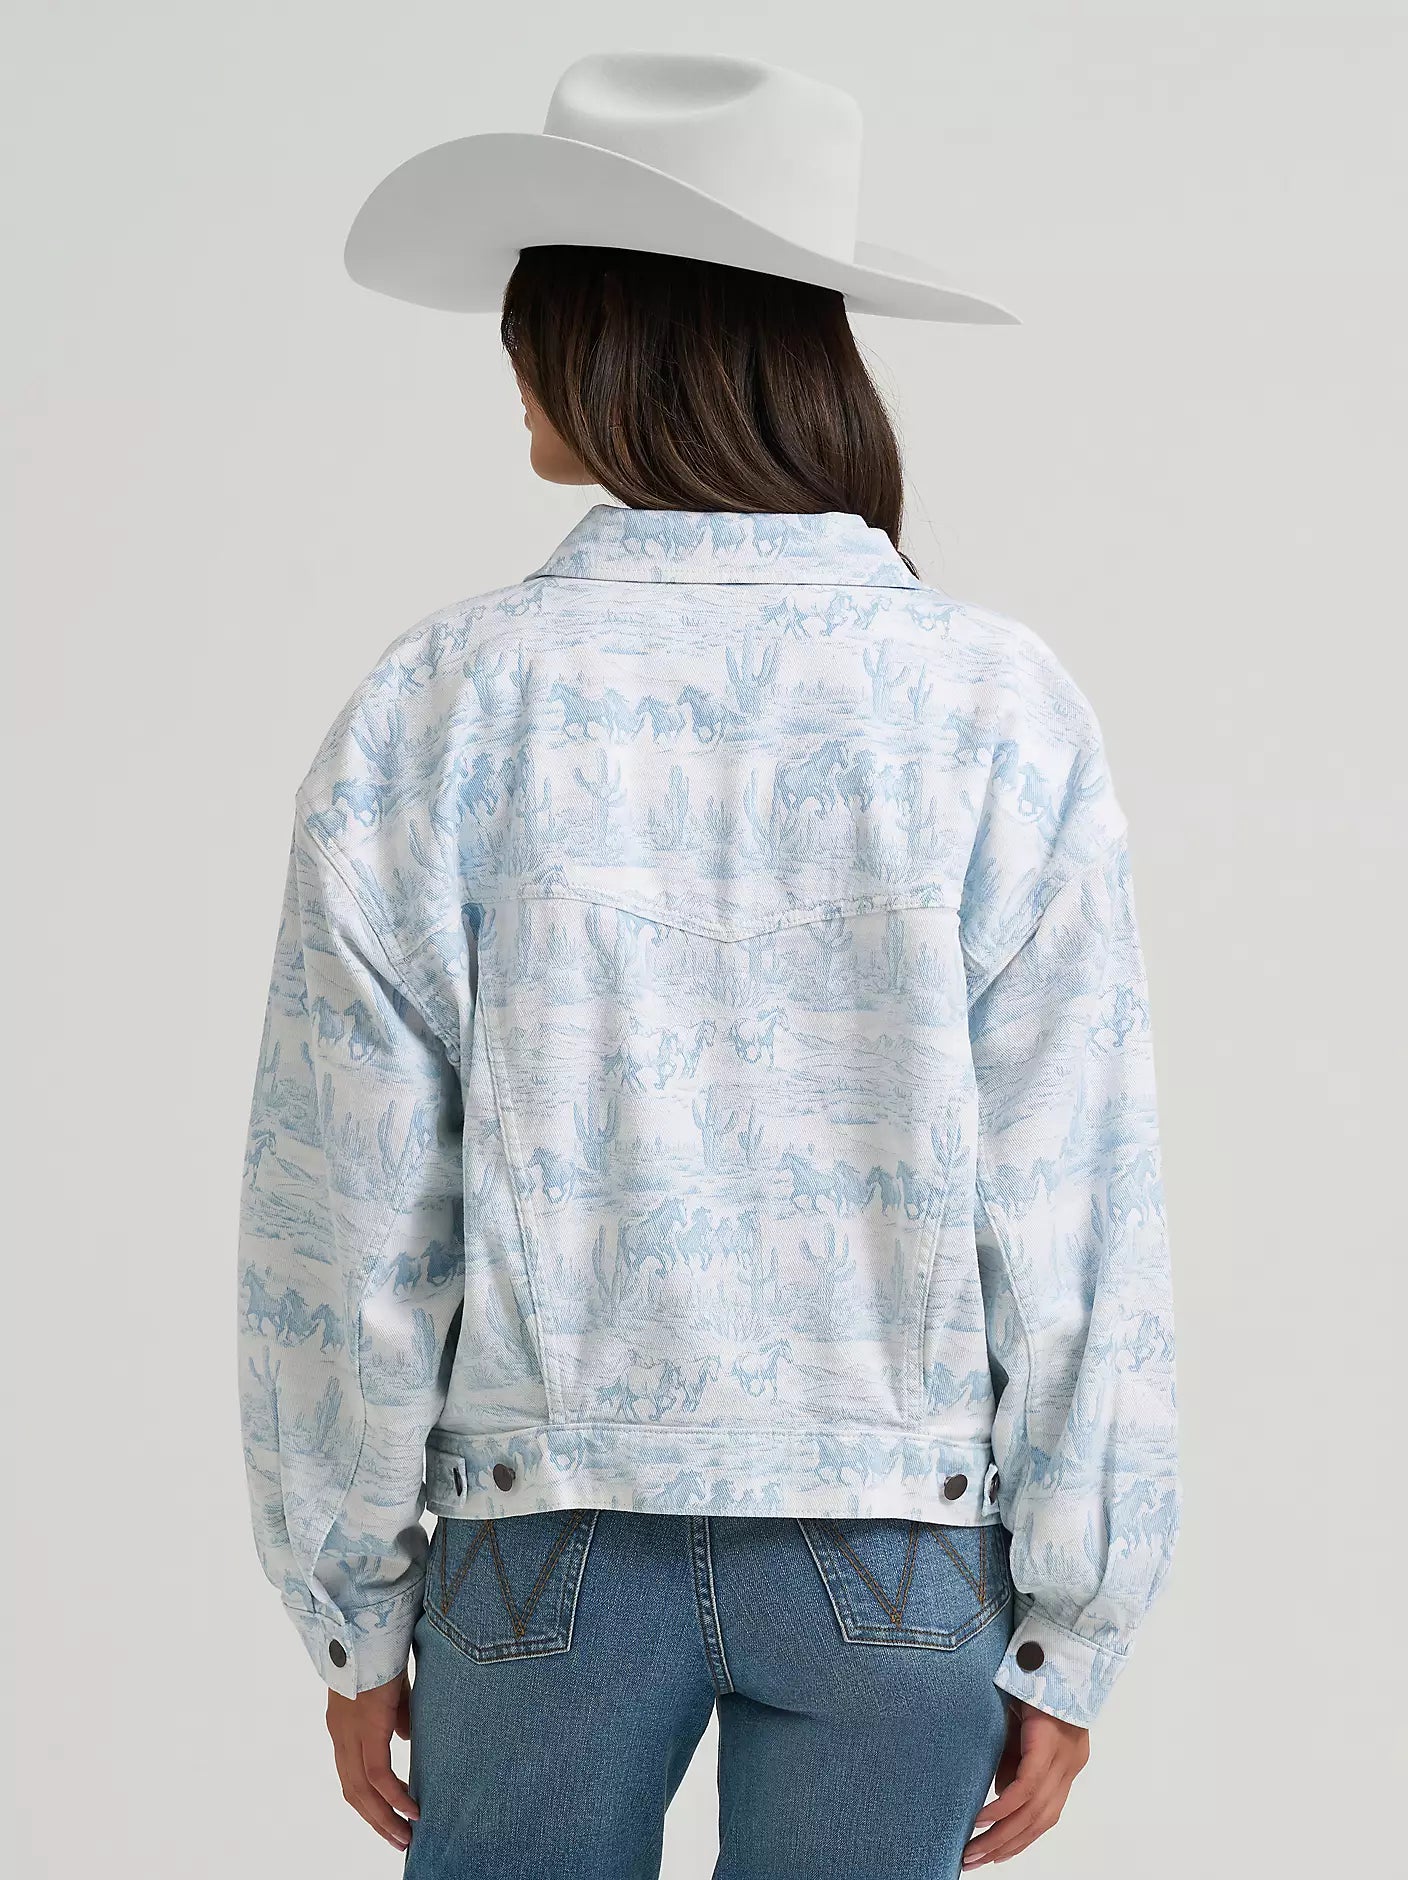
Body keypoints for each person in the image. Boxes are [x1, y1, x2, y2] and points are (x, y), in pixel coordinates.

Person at [237, 51, 1179, 1880]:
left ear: (604, 342)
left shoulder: (442, 705)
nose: (510, 359)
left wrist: (349, 1603)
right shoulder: (994, 703)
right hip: (900, 1544)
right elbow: (1078, 1195)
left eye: (531, 314)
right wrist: (1081, 1619)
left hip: (541, 1543)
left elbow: (341, 1210)